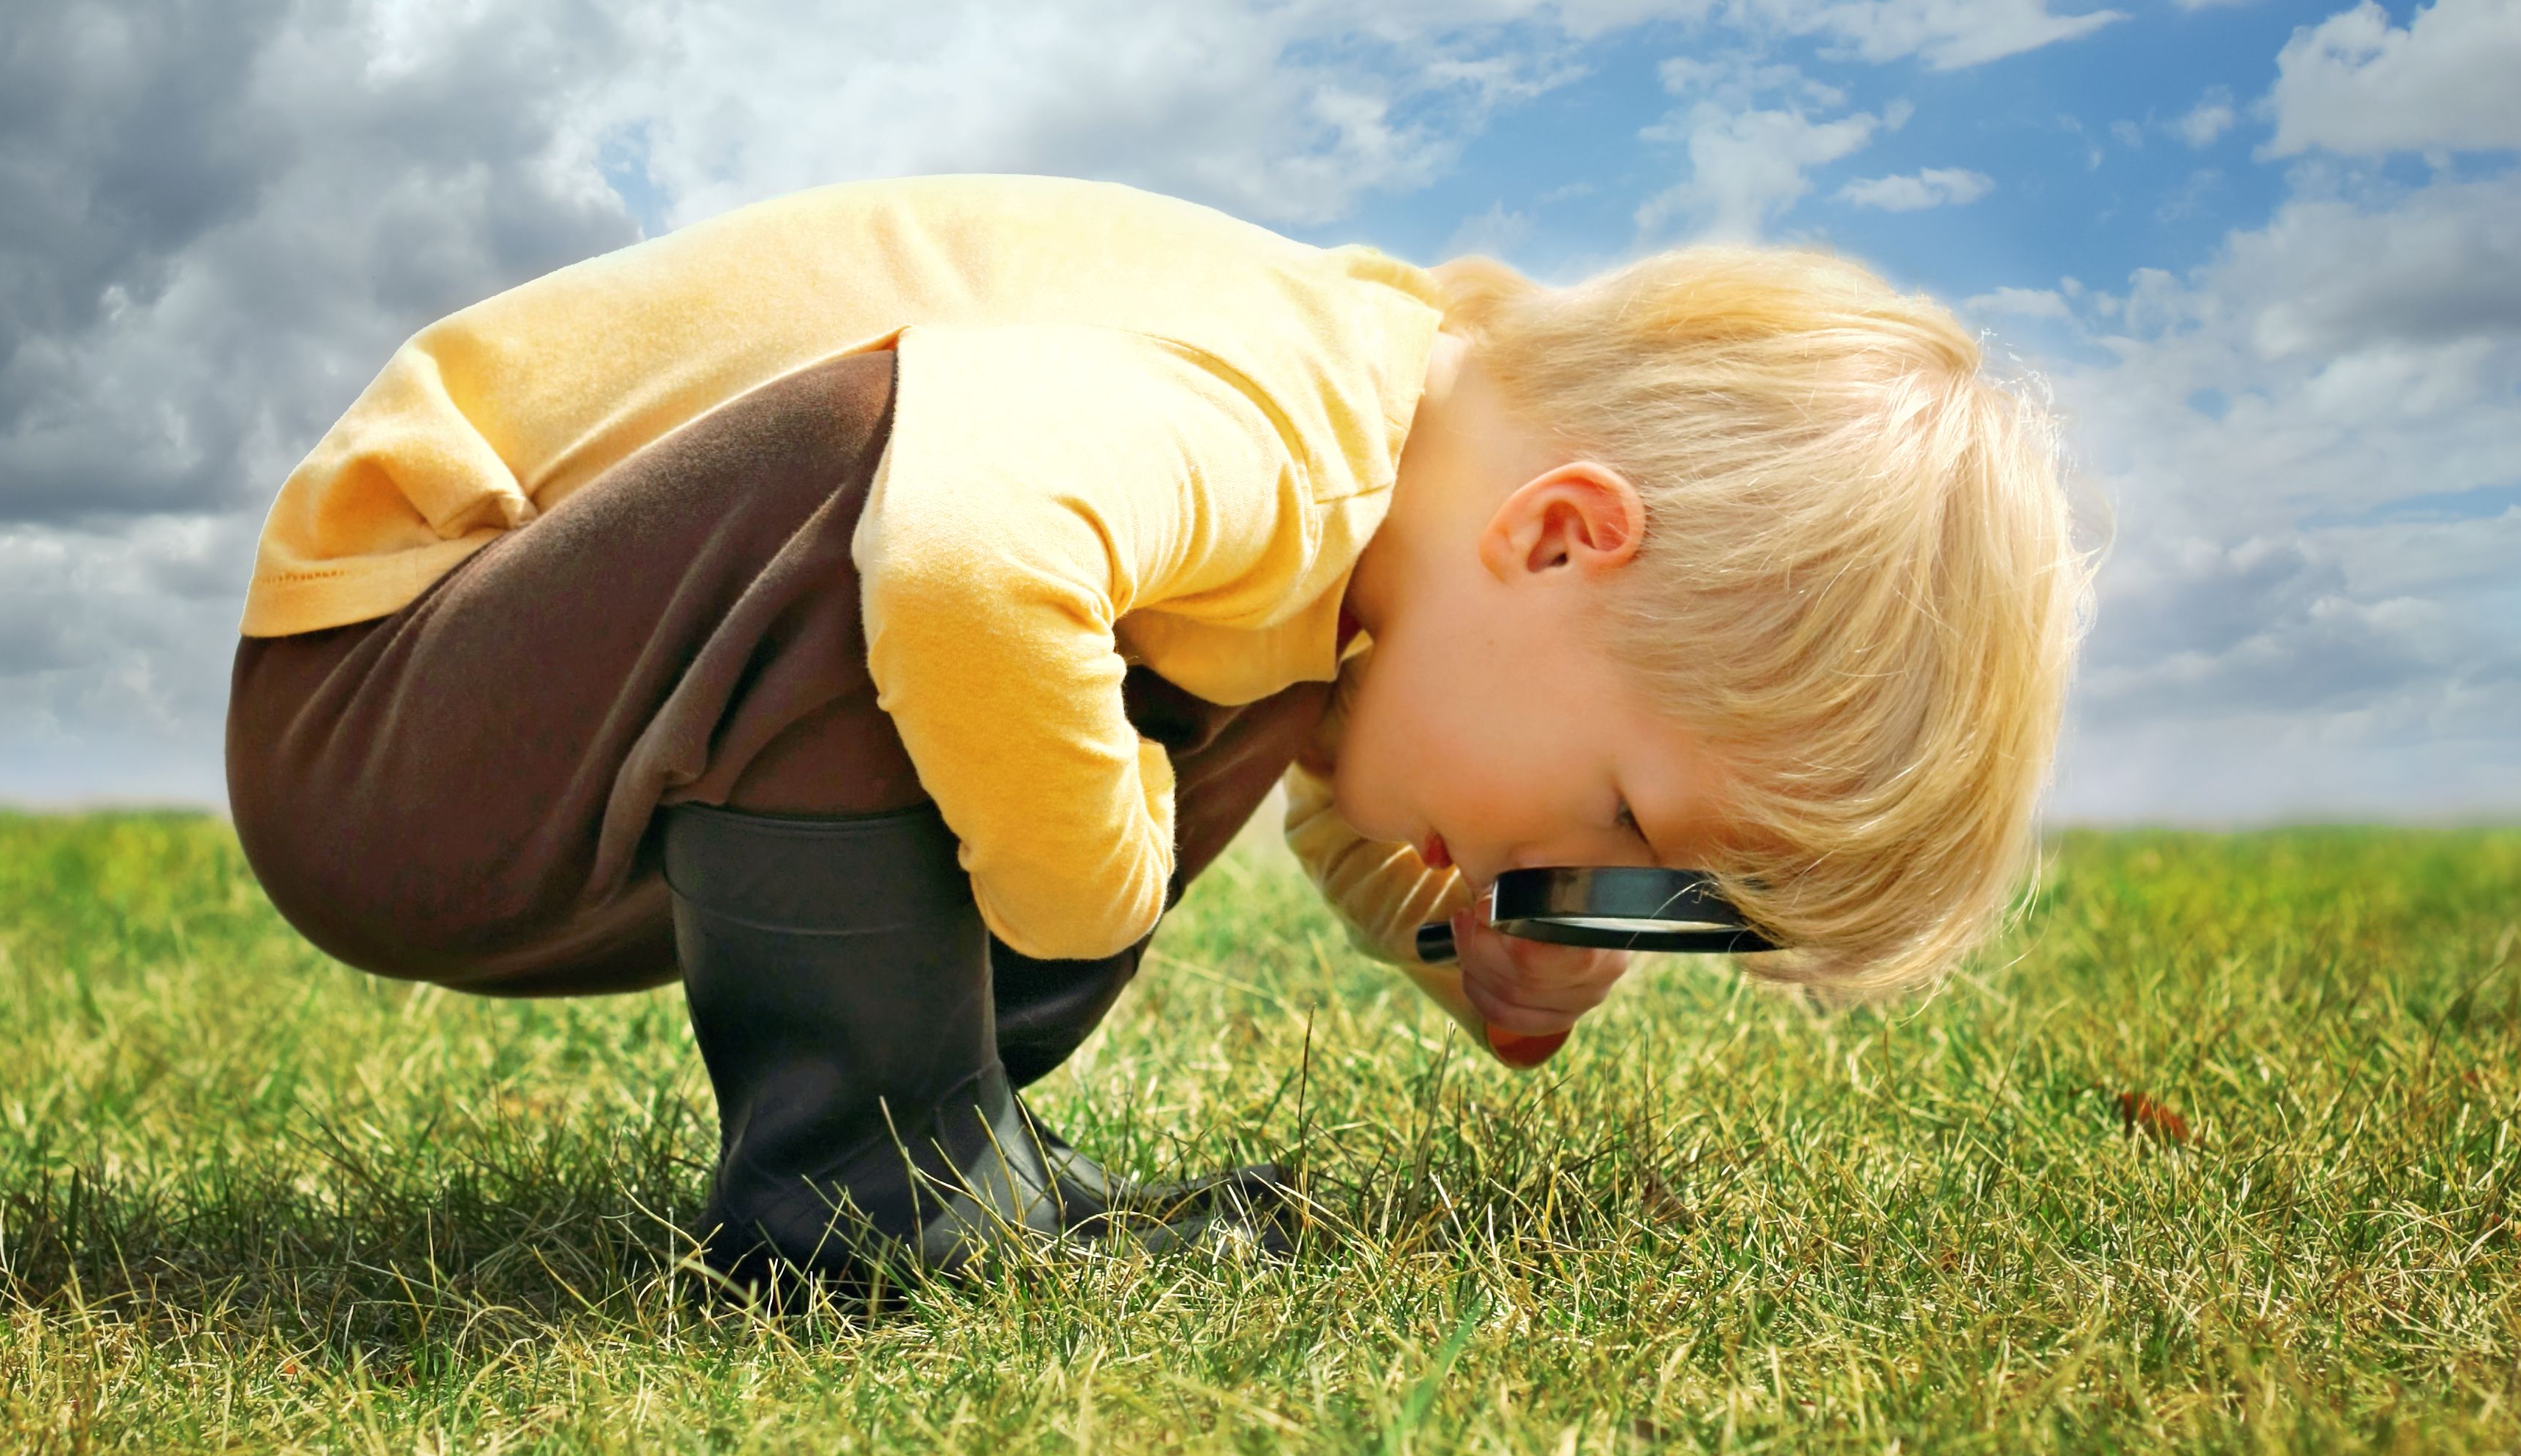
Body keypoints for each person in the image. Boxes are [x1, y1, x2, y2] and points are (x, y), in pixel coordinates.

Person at [224, 175, 2086, 1279]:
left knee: (1195, 685)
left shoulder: (1383, 500)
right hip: (395, 699)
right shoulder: (1282, 421)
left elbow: (1354, 748)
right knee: (923, 509)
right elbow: (955, 557)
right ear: (1560, 535)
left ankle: (949, 1141)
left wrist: (1479, 940)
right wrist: (1089, 892)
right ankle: (875, 1205)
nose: (1586, 886)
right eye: (1617, 819)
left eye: (1637, 897)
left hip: (556, 719)